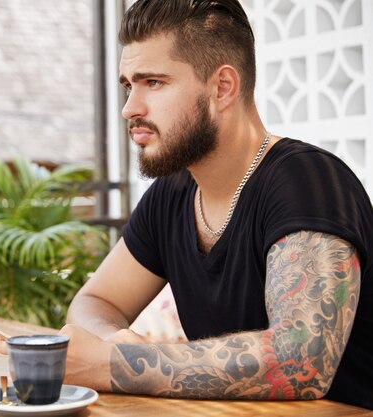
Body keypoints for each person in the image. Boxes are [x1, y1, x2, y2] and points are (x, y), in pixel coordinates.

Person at [59, 0, 373, 409]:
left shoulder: (308, 182)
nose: (129, 108)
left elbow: (301, 362)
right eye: (127, 85)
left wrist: (115, 364)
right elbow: (95, 303)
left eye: (153, 82)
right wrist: (118, 342)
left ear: (222, 87)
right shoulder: (171, 195)